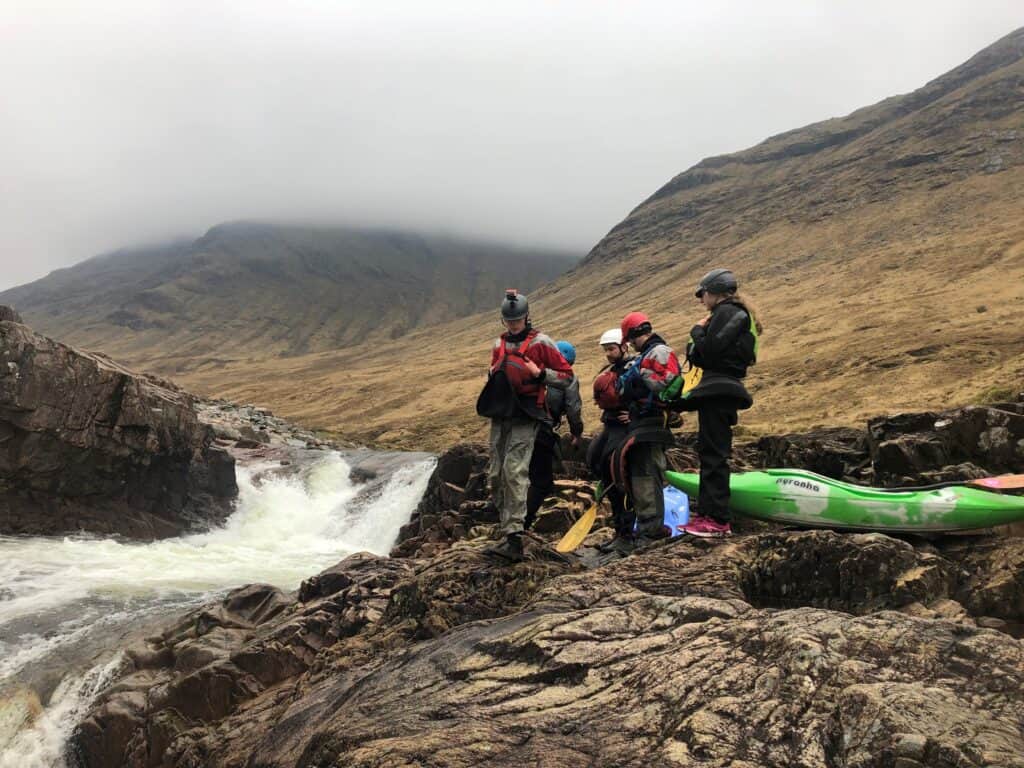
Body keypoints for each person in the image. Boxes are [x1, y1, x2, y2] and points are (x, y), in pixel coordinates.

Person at [476, 289, 573, 561]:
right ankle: (506, 525)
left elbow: (567, 376)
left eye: (517, 320)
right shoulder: (499, 344)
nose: (513, 324)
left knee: (514, 470)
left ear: (526, 317)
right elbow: (494, 371)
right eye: (509, 321)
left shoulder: (542, 343)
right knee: (495, 473)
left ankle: (514, 537)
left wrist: (541, 374)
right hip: (501, 412)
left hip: (527, 413)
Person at [681, 268, 761, 537]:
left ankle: (716, 519)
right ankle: (706, 514)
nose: (701, 300)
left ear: (714, 291)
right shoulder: (732, 313)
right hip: (720, 387)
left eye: (702, 294)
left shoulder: (729, 312)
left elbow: (708, 350)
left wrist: (696, 331)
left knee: (714, 454)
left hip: (719, 389)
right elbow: (703, 355)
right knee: (710, 452)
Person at [615, 312, 682, 547]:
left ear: (634, 334)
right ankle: (647, 525)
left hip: (652, 422)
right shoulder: (645, 355)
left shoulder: (660, 353)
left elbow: (668, 386)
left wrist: (641, 375)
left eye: (630, 339)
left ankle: (652, 529)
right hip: (641, 422)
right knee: (639, 473)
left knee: (647, 473)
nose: (630, 344)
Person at [525, 340, 583, 531]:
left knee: (519, 477)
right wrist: (576, 433)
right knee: (542, 482)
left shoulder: (530, 368)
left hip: (518, 430)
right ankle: (520, 526)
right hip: (542, 431)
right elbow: (573, 409)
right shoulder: (566, 378)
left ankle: (510, 520)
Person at [587, 329, 636, 554]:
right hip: (610, 425)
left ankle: (626, 532)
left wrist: (634, 413)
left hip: (625, 427)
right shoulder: (610, 370)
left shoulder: (634, 366)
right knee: (595, 460)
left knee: (617, 473)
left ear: (624, 347)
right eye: (606, 350)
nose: (608, 353)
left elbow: (646, 393)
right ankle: (619, 530)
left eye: (611, 349)